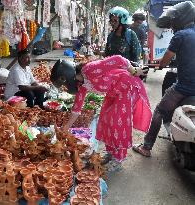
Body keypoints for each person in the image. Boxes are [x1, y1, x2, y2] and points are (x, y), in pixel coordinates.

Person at [50, 55, 151, 166]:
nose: (66, 87)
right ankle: (111, 153)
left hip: (126, 88)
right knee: (106, 121)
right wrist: (65, 128)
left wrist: (134, 70)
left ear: (67, 77)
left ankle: (117, 159)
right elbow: (76, 109)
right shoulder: (82, 84)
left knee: (117, 124)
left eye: (64, 84)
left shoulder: (89, 69)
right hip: (113, 93)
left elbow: (118, 59)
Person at [133, 1, 195, 157]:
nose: (173, 24)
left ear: (182, 19)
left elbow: (164, 62)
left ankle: (146, 147)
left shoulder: (181, 35)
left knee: (159, 110)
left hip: (184, 87)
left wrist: (158, 65)